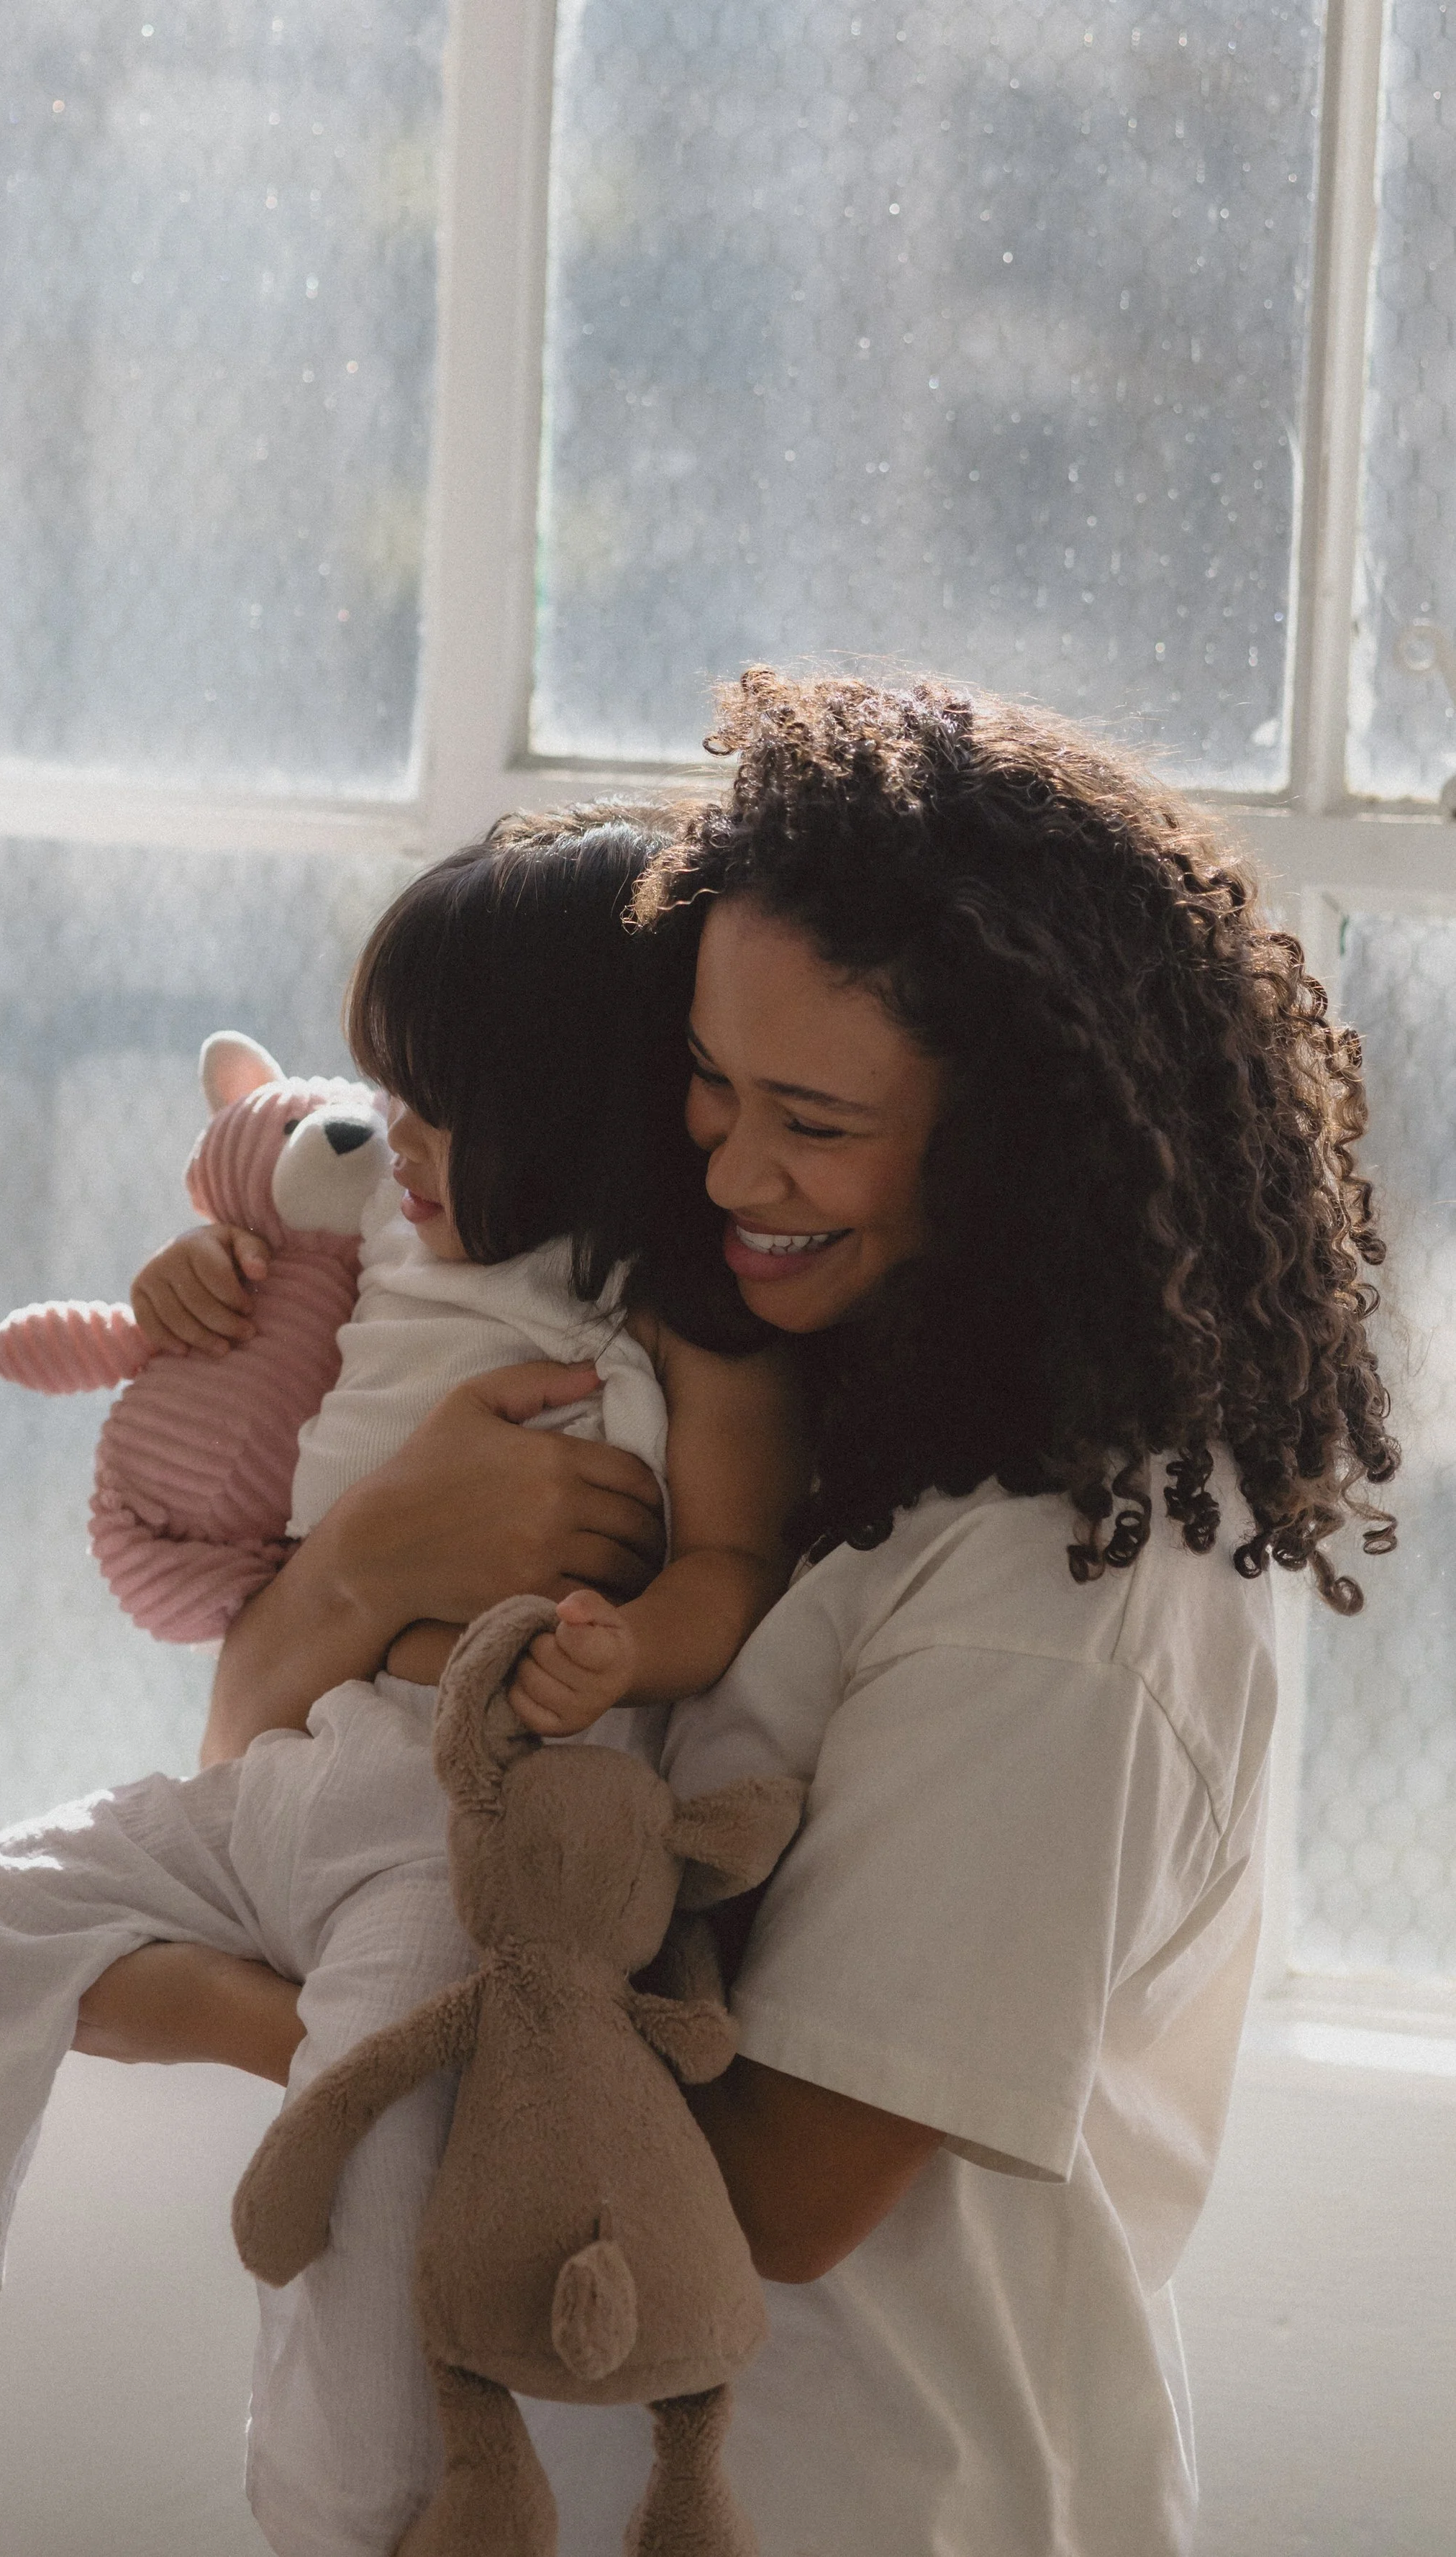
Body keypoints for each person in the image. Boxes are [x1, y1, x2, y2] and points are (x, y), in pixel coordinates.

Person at [75, 668, 1397, 2556]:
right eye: (702, 1076)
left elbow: (783, 2189)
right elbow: (288, 1795)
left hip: (850, 2494)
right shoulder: (728, 1383)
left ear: (1016, 1150)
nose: (727, 1166)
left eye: (814, 1120)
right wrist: (361, 1563)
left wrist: (218, 2010)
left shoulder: (1066, 1595)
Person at [0, 807, 809, 2557]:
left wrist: (631, 1646)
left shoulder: (672, 1317)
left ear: (589, 1110)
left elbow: (727, 1563)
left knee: (373, 2162)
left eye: (445, 1108)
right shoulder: (390, 1228)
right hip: (293, 1756)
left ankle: (351, 2517)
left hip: (455, 1829)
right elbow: (248, 1243)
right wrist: (187, 1274)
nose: (398, 1139)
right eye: (390, 1095)